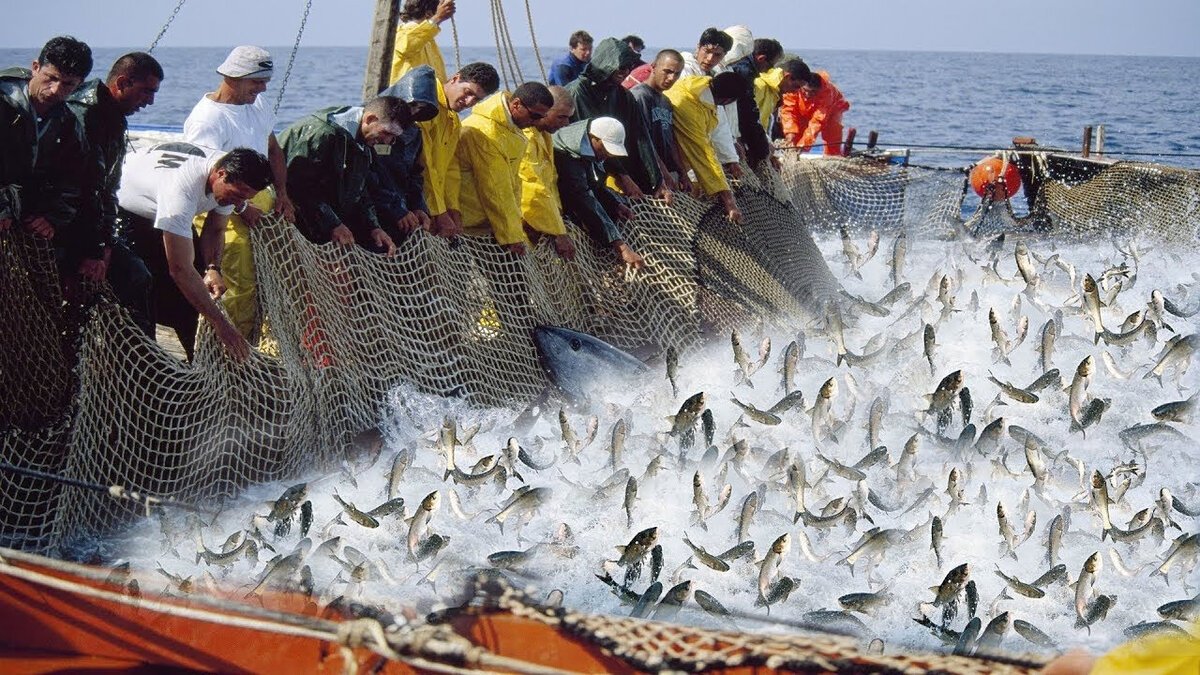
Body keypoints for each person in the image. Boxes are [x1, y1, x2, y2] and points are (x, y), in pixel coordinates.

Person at [114, 144, 271, 361]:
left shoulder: (229, 180)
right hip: (123, 210)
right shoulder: (181, 192)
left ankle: (201, 364)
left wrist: (212, 268)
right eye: (235, 196)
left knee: (196, 292)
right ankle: (142, 365)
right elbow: (179, 270)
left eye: (244, 199)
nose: (238, 205)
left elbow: (215, 229)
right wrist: (222, 326)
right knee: (142, 286)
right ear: (221, 174)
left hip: (164, 207)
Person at [183, 46, 295, 340]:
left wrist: (282, 193)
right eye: (256, 81)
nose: (263, 87)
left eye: (265, 80)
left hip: (262, 198)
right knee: (235, 287)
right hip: (224, 207)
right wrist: (244, 208)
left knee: (271, 279)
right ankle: (228, 353)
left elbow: (272, 148)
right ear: (233, 76)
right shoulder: (207, 119)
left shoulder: (258, 104)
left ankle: (258, 347)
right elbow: (210, 178)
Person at [66, 51, 162, 310]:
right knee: (133, 276)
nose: (150, 102)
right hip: (65, 225)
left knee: (139, 275)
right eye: (146, 91)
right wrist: (95, 250)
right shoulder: (85, 116)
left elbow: (109, 189)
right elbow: (88, 189)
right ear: (121, 83)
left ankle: (138, 350)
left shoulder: (113, 117)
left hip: (90, 226)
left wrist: (106, 244)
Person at [279, 96, 411, 255]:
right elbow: (298, 188)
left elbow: (359, 190)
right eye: (386, 133)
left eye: (393, 137)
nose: (387, 142)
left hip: (321, 214)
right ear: (370, 119)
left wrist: (373, 227)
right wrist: (333, 224)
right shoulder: (323, 134)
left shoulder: (362, 140)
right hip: (286, 212)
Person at [0, 36, 90, 246]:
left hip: (23, 214)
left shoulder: (69, 124)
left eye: (68, 84)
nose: (56, 90)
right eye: (51, 78)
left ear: (79, 85)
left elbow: (75, 179)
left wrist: (53, 216)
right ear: (35, 67)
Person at [566, 37, 669, 202]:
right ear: (606, 63)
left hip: (616, 166)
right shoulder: (579, 92)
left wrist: (658, 181)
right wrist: (623, 177)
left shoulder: (624, 96)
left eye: (629, 67)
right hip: (583, 168)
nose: (626, 72)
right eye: (621, 67)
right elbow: (595, 140)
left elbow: (642, 137)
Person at [456, 81, 553, 255]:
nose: (535, 123)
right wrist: (512, 237)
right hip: (470, 225)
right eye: (534, 116)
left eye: (541, 118)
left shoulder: (510, 127)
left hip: (492, 222)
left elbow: (511, 184)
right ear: (516, 104)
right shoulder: (488, 132)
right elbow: (497, 190)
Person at [418, 62, 500, 240]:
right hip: (411, 204)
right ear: (455, 78)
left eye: (477, 99)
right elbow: (424, 163)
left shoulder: (453, 121)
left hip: (429, 207)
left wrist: (452, 208)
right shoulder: (425, 106)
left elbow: (450, 169)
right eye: (468, 92)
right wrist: (438, 211)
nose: (469, 102)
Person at [553, 117, 644, 269]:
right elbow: (582, 196)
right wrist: (620, 246)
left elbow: (593, 184)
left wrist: (616, 205)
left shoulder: (585, 149)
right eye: (606, 149)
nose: (608, 155)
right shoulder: (567, 153)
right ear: (594, 138)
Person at [371, 65, 441, 243]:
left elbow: (414, 175)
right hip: (370, 214)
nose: (415, 111)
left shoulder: (415, 135)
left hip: (402, 218)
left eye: (422, 107)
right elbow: (366, 176)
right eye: (412, 104)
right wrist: (395, 209)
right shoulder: (371, 128)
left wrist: (419, 207)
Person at [664, 71, 745, 224]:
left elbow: (719, 130)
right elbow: (703, 153)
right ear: (728, 100)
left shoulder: (704, 85)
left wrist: (731, 159)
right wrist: (728, 199)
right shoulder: (688, 104)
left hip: (680, 165)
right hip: (668, 168)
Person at [518, 86, 577, 260]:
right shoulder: (526, 137)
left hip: (541, 226)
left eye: (568, 118)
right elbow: (532, 187)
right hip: (521, 227)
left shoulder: (544, 136)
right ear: (544, 111)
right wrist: (558, 231)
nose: (566, 124)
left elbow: (550, 182)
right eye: (561, 117)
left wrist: (557, 217)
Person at [630, 49, 692, 195]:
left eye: (677, 74)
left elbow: (671, 142)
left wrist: (682, 173)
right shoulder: (640, 97)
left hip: (668, 175)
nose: (671, 78)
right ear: (653, 66)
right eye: (667, 71)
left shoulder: (666, 101)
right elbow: (644, 142)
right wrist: (662, 174)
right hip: (649, 176)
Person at [720, 29, 783, 170]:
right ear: (761, 59)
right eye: (770, 66)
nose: (768, 71)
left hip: (730, 137)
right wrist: (762, 149)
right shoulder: (744, 71)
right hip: (729, 140)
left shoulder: (729, 68)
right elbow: (747, 111)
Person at [780, 69, 851, 156]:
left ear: (819, 89)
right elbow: (788, 111)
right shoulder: (795, 88)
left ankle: (833, 156)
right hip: (804, 108)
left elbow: (817, 121)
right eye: (805, 91)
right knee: (795, 133)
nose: (807, 95)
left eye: (812, 92)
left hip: (833, 109)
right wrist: (790, 133)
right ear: (801, 86)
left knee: (832, 131)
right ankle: (792, 154)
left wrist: (804, 144)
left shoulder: (827, 93)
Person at [389, 0, 455, 83]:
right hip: (405, 94)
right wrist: (437, 18)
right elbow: (406, 46)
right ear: (428, 13)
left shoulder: (427, 40)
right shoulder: (403, 33)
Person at [756, 57, 811, 135]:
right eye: (796, 86)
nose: (795, 92)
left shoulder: (776, 95)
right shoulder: (760, 85)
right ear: (787, 77)